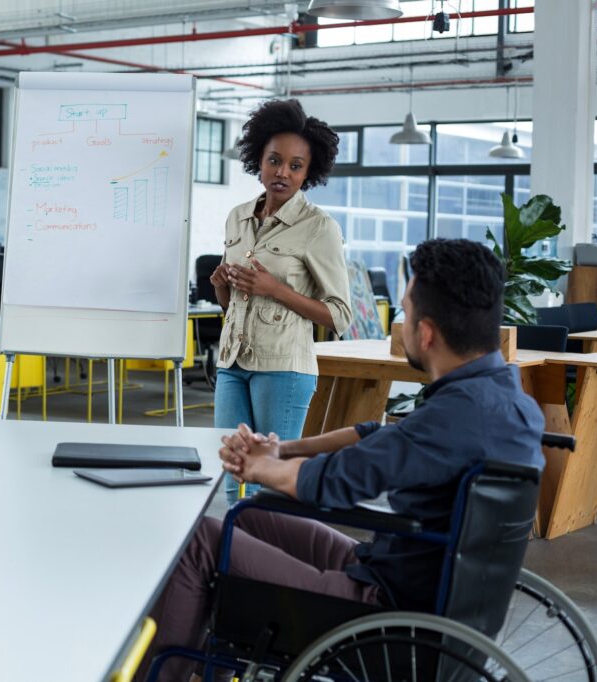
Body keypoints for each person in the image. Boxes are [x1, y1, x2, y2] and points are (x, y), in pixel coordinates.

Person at [144, 239, 545, 682]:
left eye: (406, 314)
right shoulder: (503, 398)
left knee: (202, 537)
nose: (402, 322)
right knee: (252, 516)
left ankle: (170, 675)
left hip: (382, 608)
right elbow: (377, 436)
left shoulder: (455, 415)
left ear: (426, 334)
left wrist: (258, 467)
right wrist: (282, 449)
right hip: (410, 572)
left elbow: (335, 482)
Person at [211, 99, 353, 505]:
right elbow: (232, 305)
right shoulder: (238, 216)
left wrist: (276, 289)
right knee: (232, 470)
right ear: (259, 159)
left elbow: (339, 315)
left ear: (309, 173)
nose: (282, 172)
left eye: (295, 166)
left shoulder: (319, 228)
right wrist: (222, 284)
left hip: (285, 369)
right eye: (275, 160)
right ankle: (233, 556)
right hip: (233, 363)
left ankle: (268, 561)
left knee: (269, 478)